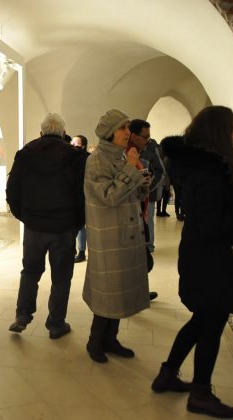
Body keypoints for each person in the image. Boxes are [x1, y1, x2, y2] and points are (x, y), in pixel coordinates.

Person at [151, 106, 233, 418]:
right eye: (232, 128)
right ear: (219, 131)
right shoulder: (208, 170)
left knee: (201, 320)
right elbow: (213, 221)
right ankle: (201, 394)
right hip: (211, 259)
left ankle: (167, 374)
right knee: (210, 325)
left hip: (203, 255)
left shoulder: (202, 165)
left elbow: (218, 199)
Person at [6, 113, 86, 339]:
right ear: (63, 133)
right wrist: (78, 222)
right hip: (64, 227)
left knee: (30, 272)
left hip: (35, 226)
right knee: (61, 277)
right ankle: (56, 324)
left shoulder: (25, 154)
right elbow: (82, 194)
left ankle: (22, 315)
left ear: (41, 133)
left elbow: (12, 190)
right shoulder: (75, 157)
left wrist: (25, 216)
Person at [83, 109, 151, 363]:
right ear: (109, 132)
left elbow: (125, 192)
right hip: (108, 237)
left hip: (126, 234)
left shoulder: (121, 156)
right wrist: (132, 169)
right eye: (123, 128)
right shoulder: (97, 160)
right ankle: (95, 341)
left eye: (128, 128)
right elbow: (109, 196)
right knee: (108, 290)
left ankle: (111, 339)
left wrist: (142, 184)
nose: (127, 133)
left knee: (119, 291)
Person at [128, 119, 160, 300]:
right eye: (144, 137)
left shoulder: (140, 153)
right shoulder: (126, 155)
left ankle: (138, 292)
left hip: (140, 210)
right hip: (131, 215)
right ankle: (135, 293)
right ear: (133, 135)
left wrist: (147, 185)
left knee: (142, 259)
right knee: (141, 260)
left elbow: (160, 171)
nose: (147, 140)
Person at [71, 135, 91, 263]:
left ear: (83, 146)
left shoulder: (87, 158)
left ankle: (82, 251)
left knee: (81, 225)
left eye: (76, 143)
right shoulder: (69, 157)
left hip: (84, 195)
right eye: (72, 142)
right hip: (74, 195)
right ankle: (76, 250)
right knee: (76, 224)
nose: (73, 145)